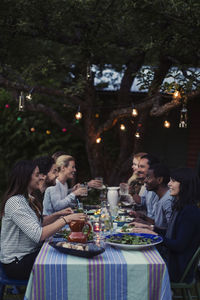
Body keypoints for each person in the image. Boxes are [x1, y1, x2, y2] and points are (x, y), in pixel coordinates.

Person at [0, 160, 85, 280]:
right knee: (62, 260)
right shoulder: (15, 202)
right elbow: (38, 235)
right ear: (25, 178)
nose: (40, 178)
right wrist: (66, 219)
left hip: (29, 254)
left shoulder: (27, 198)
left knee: (65, 250)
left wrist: (58, 214)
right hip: (17, 263)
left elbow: (39, 224)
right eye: (36, 175)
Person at [132, 167, 200, 283]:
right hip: (171, 260)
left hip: (177, 268)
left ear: (185, 185)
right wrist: (149, 228)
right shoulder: (181, 206)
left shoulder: (190, 212)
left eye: (173, 181)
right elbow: (171, 234)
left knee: (136, 268)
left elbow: (179, 245)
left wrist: (153, 235)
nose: (168, 184)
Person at [130, 163, 174, 229]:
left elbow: (169, 231)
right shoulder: (160, 197)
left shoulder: (167, 200)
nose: (145, 181)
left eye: (148, 177)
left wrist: (147, 226)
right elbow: (159, 224)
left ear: (159, 180)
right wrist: (143, 218)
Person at [130, 154, 160, 219]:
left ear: (152, 168)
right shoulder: (148, 185)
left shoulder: (159, 189)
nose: (138, 170)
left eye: (142, 167)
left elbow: (158, 223)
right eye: (138, 166)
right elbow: (143, 202)